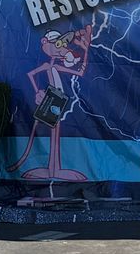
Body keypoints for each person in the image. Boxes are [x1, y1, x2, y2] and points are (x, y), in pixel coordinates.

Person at [15, 21, 94, 182]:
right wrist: (38, 91)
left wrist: (86, 51)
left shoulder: (57, 66)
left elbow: (80, 72)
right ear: (45, 43)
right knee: (53, 130)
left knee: (56, 130)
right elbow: (31, 75)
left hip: (58, 99)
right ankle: (52, 170)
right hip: (51, 99)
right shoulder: (46, 65)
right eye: (57, 44)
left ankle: (55, 169)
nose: (61, 49)